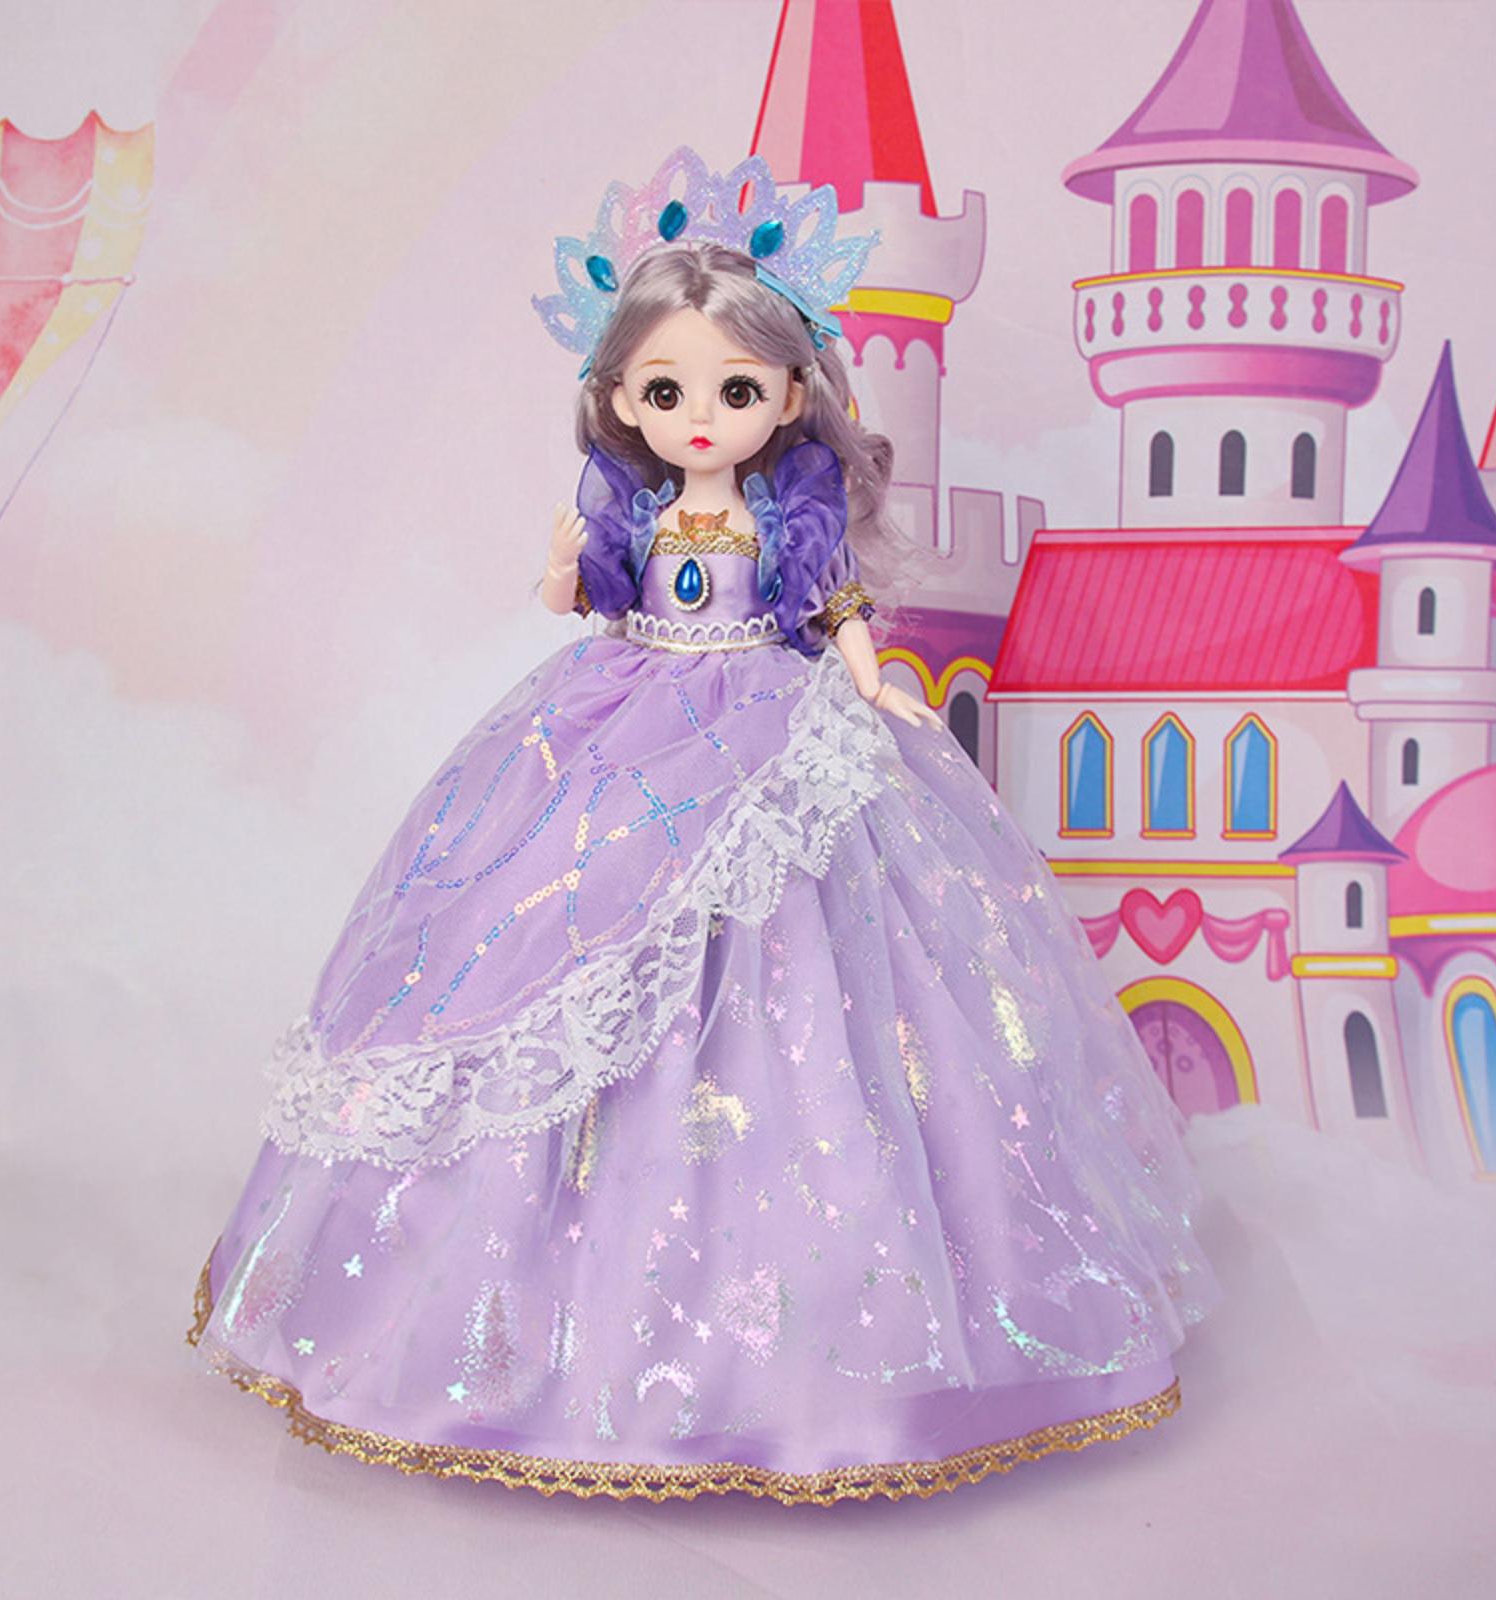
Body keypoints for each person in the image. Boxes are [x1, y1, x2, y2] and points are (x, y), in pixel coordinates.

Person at [186, 147, 1221, 1506]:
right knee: (555, 939)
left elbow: (837, 611)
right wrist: (564, 572)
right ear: (618, 398)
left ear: (791, 397)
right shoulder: (635, 514)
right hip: (623, 722)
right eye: (663, 390)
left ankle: (813, 1343)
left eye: (736, 390)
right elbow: (584, 602)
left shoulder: (786, 518)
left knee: (807, 971)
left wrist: (876, 696)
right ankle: (525, 1311)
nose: (699, 416)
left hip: (774, 724)